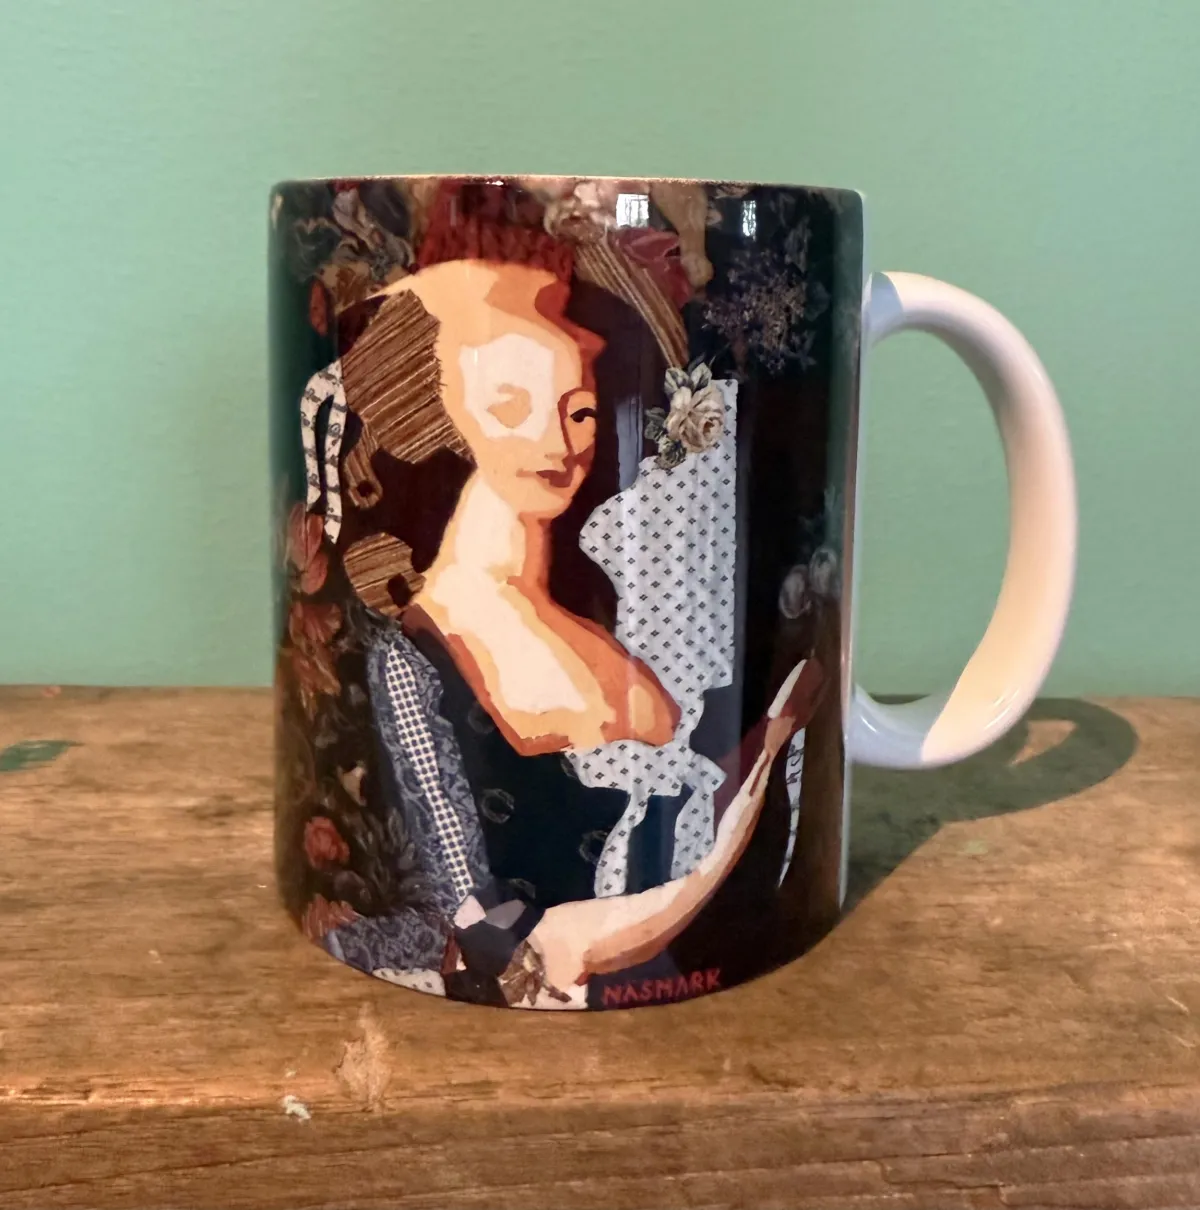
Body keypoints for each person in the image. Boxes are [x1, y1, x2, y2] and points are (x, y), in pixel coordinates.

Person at [287, 183, 825, 1007]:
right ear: (436, 415)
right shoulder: (412, 661)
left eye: (576, 411)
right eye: (511, 404)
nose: (556, 440)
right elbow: (480, 938)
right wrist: (710, 864)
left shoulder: (622, 606)